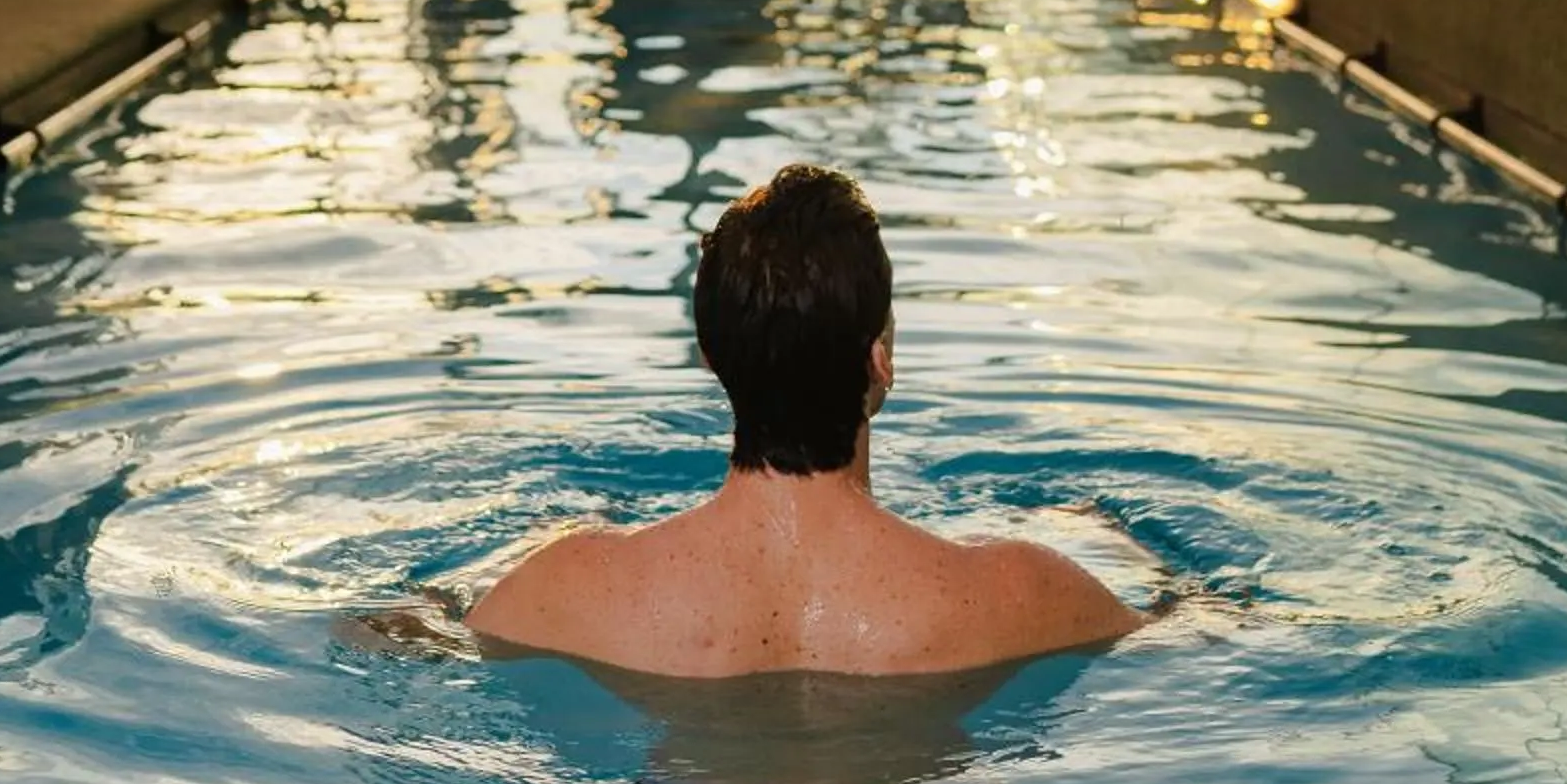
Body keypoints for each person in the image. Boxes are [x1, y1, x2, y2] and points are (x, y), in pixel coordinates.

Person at [463, 161, 1152, 678]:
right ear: (879, 357)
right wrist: (1116, 542)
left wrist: (537, 552)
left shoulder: (569, 582)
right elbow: (1212, 629)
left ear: (712, 358)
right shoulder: (1022, 589)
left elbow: (391, 634)